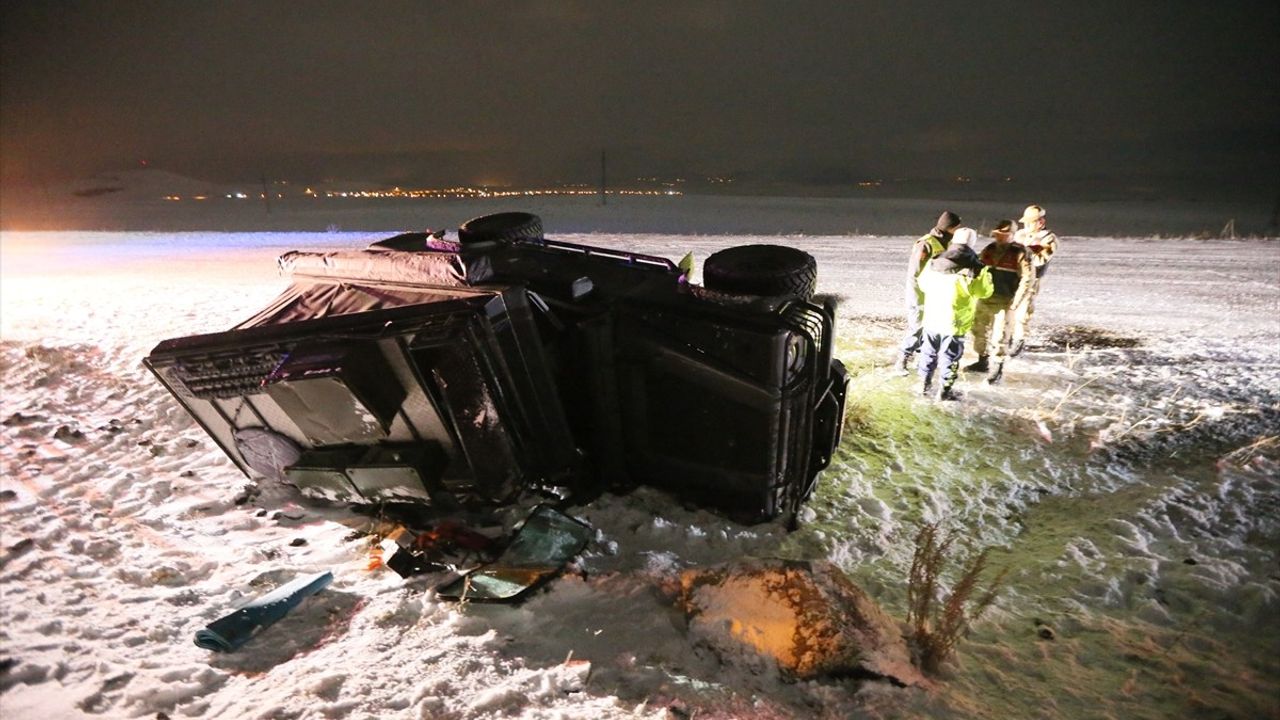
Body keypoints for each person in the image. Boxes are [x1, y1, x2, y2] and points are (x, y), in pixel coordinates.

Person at [916, 243, 993, 400]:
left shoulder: (933, 265)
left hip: (932, 319)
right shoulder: (973, 272)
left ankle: (924, 385)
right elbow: (985, 292)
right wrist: (986, 272)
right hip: (954, 324)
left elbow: (922, 284)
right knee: (949, 357)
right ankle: (944, 391)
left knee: (928, 353)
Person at [895, 210, 961, 374]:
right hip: (920, 293)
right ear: (949, 227)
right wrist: (922, 294)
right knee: (917, 326)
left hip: (935, 293)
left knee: (929, 328)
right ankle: (902, 359)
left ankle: (920, 359)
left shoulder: (946, 242)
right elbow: (915, 273)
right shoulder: (926, 243)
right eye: (956, 228)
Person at [967, 219, 1033, 384]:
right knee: (978, 329)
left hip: (1005, 301)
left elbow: (1027, 279)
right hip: (984, 298)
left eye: (1003, 235)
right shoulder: (989, 249)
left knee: (1001, 334)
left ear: (1011, 235)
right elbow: (977, 268)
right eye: (998, 235)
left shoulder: (1020, 253)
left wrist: (1016, 302)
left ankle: (997, 367)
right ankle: (982, 359)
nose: (999, 238)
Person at [1009, 204, 1059, 356]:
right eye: (1026, 222)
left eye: (1031, 222)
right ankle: (1008, 337)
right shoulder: (1019, 235)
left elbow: (1041, 259)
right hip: (1013, 277)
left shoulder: (1048, 238)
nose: (1027, 225)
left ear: (1041, 222)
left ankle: (1019, 340)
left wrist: (1024, 255)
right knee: (1008, 308)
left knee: (1023, 312)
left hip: (1031, 279)